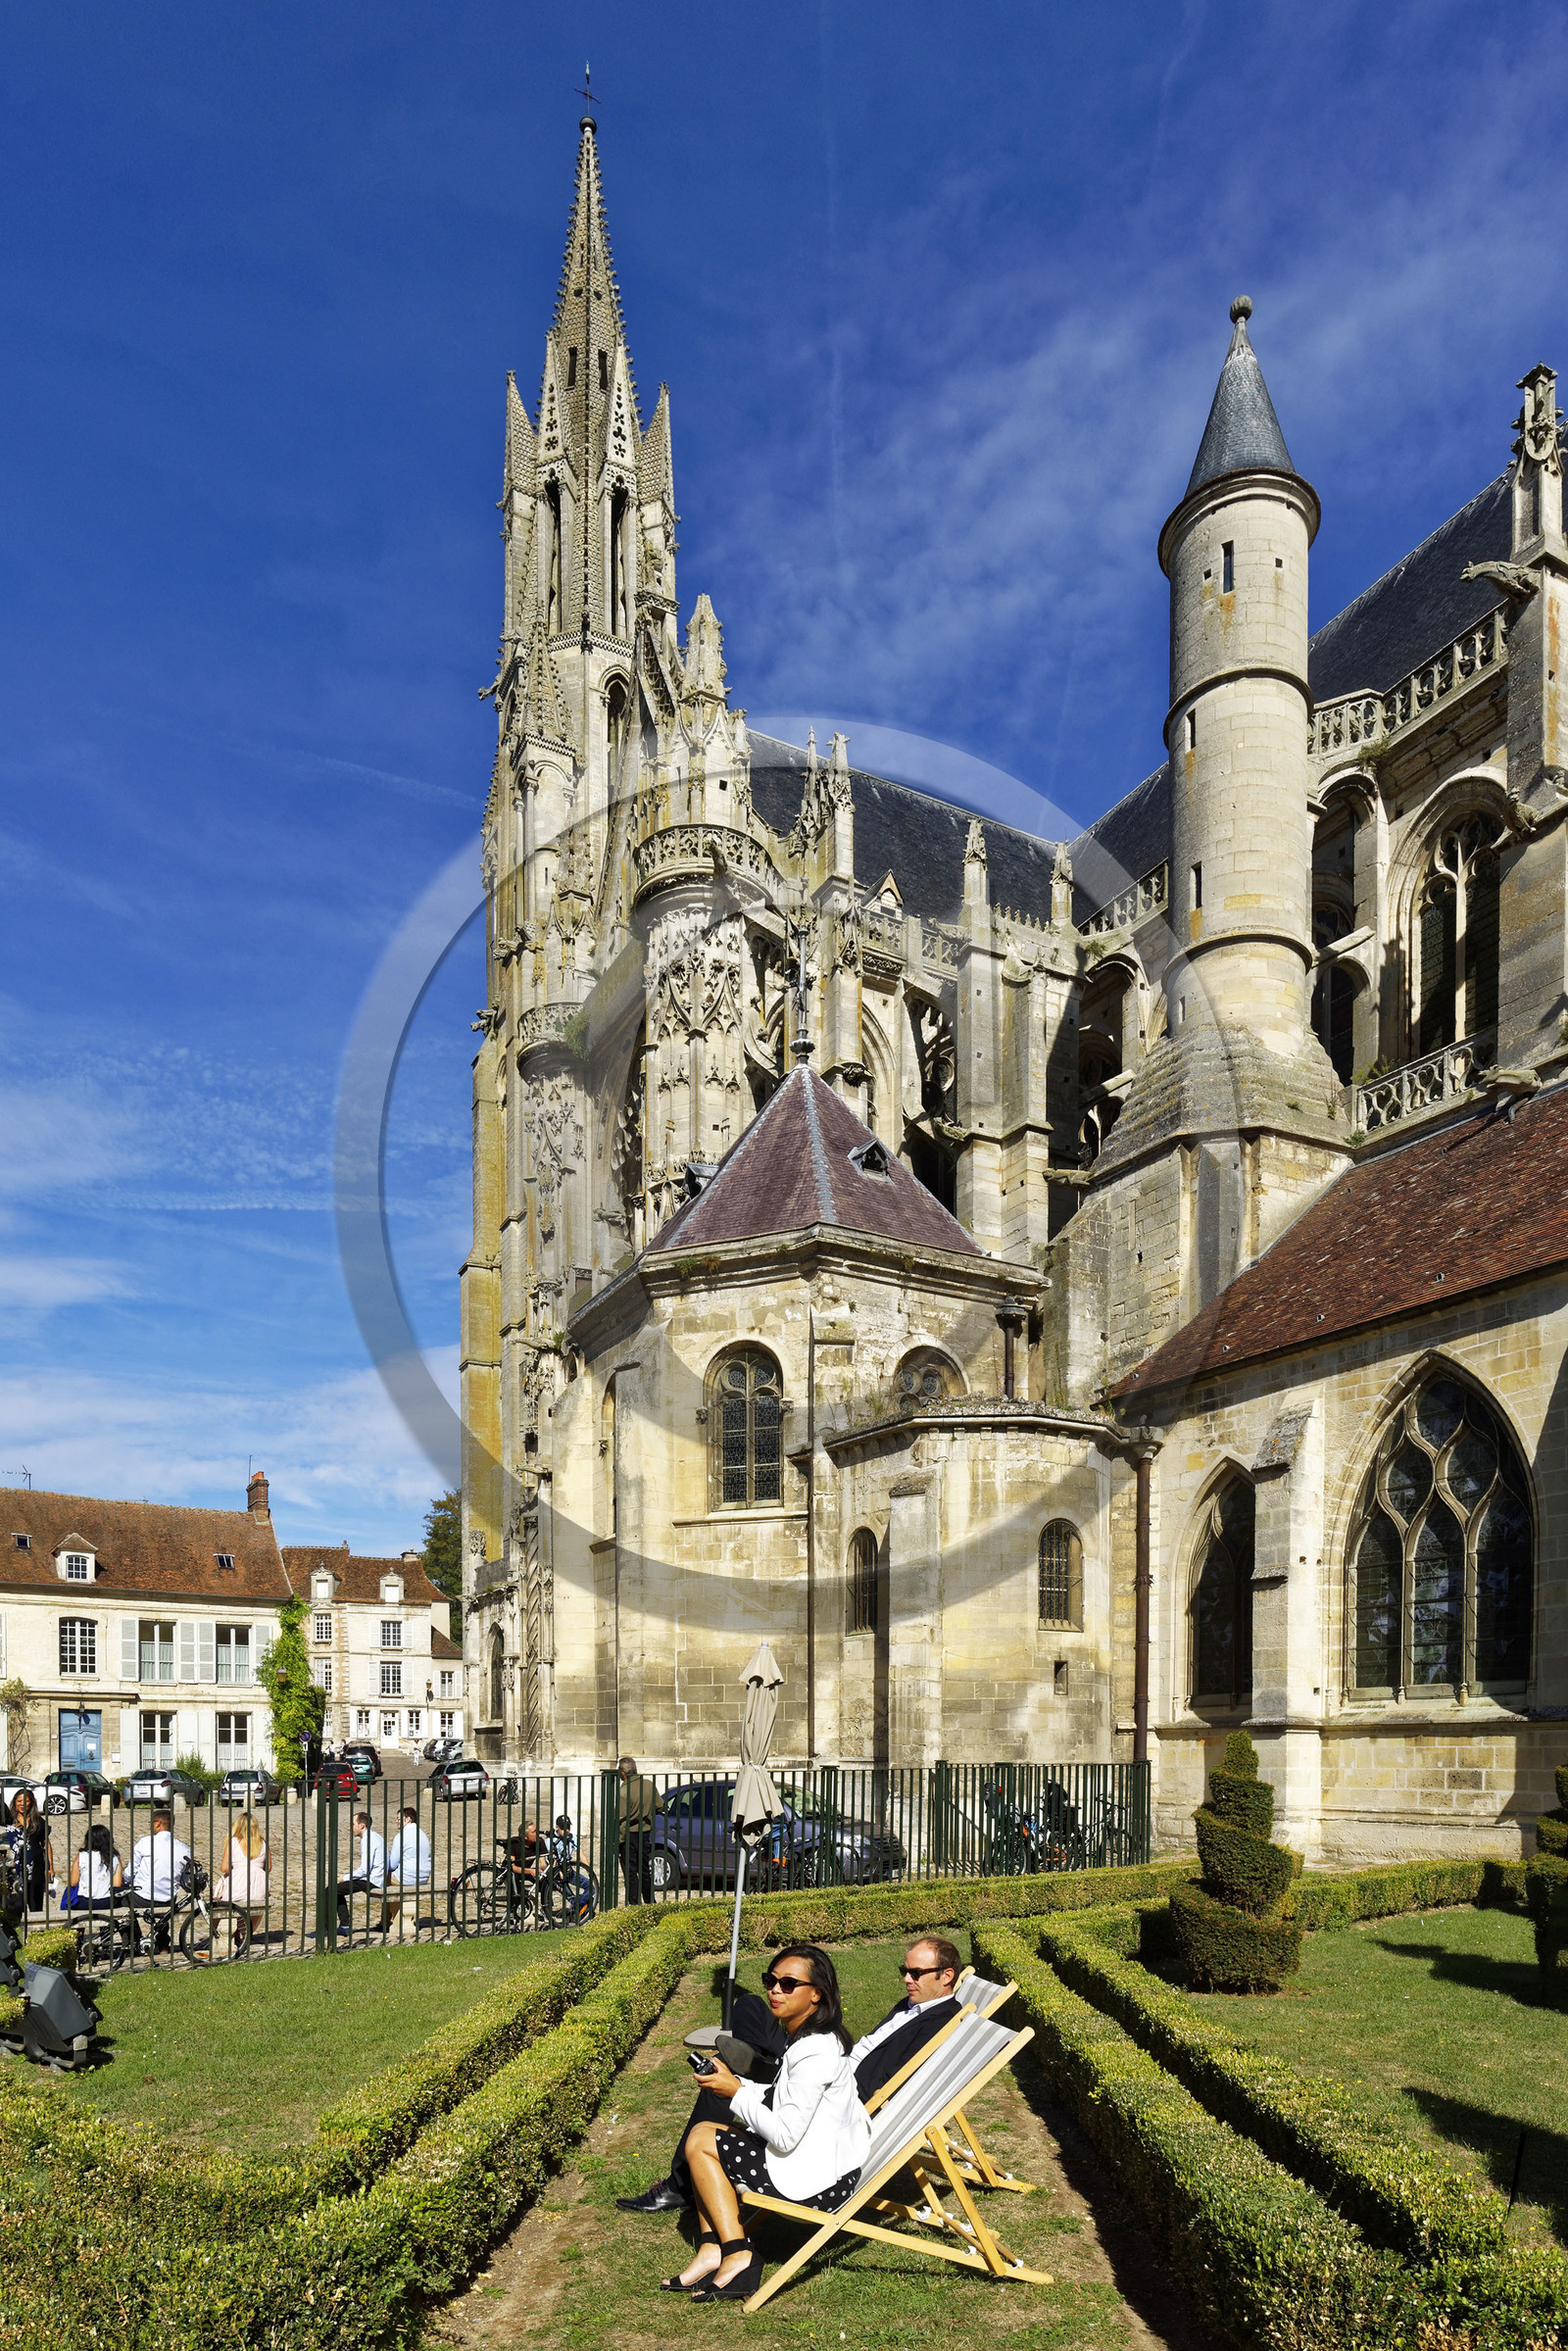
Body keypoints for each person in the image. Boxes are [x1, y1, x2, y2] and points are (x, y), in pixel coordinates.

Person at [618, 1935, 962, 2217]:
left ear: (946, 1976)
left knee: (719, 2083)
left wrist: (819, 2066)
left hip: (824, 2083)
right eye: (905, 1970)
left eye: (916, 1973)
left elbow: (883, 2084)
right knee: (751, 2005)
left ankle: (680, 2186)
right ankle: (762, 2058)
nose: (907, 1978)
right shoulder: (912, 2005)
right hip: (819, 2056)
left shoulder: (941, 2020)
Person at [659, 1943, 869, 2303]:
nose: (774, 1989)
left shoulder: (815, 2050)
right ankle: (713, 2250)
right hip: (819, 2163)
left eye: (788, 1983)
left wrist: (736, 2094)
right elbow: (783, 2096)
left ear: (817, 1993)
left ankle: (737, 2253)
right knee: (704, 2136)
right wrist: (738, 2085)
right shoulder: (807, 2039)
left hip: (818, 2186)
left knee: (702, 2141)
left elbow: (785, 2137)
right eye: (770, 1980)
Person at [130, 1808, 193, 1952]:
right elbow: (185, 1877)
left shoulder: (145, 1843)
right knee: (166, 1904)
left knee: (122, 1902)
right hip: (167, 1898)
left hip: (142, 1897)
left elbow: (131, 1871)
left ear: (158, 1823)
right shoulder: (183, 1848)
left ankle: (133, 1941)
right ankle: (164, 1944)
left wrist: (125, 1881)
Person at [616, 1755, 662, 1905]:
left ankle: (634, 1902)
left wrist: (619, 1842)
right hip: (645, 1832)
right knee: (645, 1870)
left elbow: (621, 1820)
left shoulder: (624, 1792)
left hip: (629, 1835)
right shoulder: (648, 1785)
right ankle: (650, 1901)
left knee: (631, 1872)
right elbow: (659, 1806)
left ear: (623, 1772)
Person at [217, 1810, 270, 1934]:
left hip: (238, 1886)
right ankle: (245, 1932)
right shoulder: (263, 1843)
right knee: (255, 1903)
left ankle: (228, 1932)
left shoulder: (233, 1842)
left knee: (224, 1904)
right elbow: (268, 1868)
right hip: (258, 1888)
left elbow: (224, 1868)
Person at [336, 1809, 386, 1935]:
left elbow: (365, 1869)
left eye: (353, 1824)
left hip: (372, 1880)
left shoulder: (368, 1840)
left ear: (361, 1825)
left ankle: (337, 1926)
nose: (350, 1827)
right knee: (334, 1889)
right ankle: (344, 1924)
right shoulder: (374, 1836)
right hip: (375, 1878)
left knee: (331, 1890)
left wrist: (345, 1877)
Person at [6, 1789, 56, 1916]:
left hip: (36, 1868)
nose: (22, 1804)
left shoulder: (38, 1821)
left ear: (32, 1802)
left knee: (35, 1904)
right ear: (15, 1802)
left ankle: (36, 1932)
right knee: (15, 1904)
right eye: (19, 1801)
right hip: (13, 1868)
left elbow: (46, 1844)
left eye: (26, 1801)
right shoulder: (8, 1821)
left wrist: (50, 1867)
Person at [64, 1821, 122, 1914]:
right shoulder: (115, 1858)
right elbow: (117, 1884)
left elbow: (73, 1882)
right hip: (106, 1902)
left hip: (84, 1901)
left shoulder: (81, 1856)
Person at [386, 1804, 431, 1902]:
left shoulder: (400, 1836)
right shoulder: (423, 1834)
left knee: (381, 1878)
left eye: (398, 1819)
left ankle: (390, 1916)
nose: (396, 1822)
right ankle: (389, 1916)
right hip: (423, 1878)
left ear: (408, 1819)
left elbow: (392, 1865)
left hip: (406, 1878)